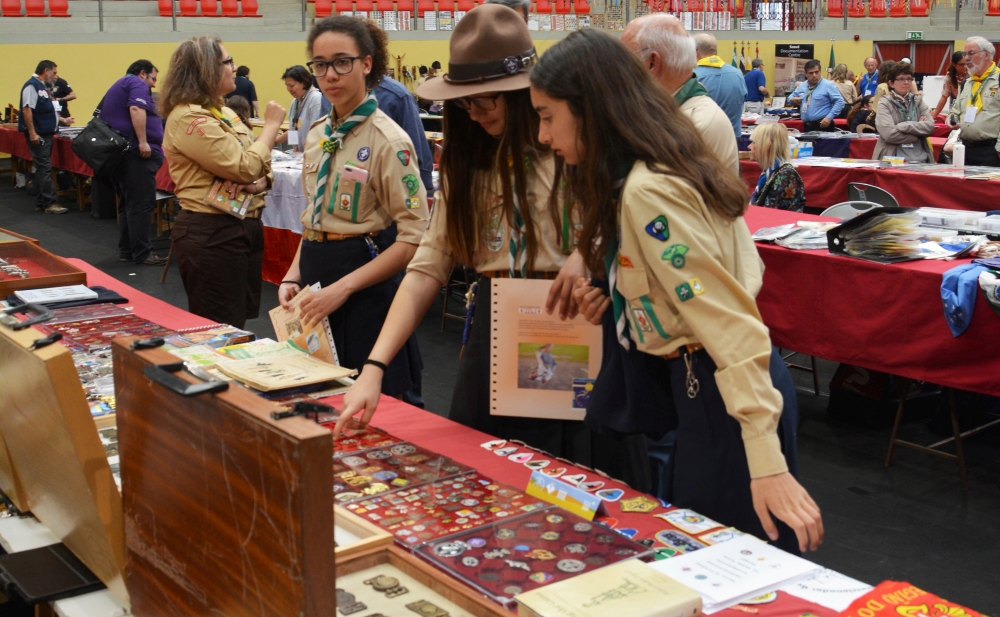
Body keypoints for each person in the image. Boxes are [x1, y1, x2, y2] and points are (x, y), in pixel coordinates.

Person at [529, 28, 822, 556]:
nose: (543, 135)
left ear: (591, 109)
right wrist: (626, 303)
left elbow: (730, 325)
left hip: (727, 394)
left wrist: (763, 456)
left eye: (548, 116)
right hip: (709, 388)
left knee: (736, 565)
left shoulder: (649, 189)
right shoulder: (652, 167)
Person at [336, 6, 642, 479]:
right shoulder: (467, 162)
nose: (474, 113)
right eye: (464, 102)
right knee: (488, 479)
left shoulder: (575, 148)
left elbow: (627, 231)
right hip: (497, 333)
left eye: (488, 100)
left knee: (589, 482)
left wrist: (596, 267)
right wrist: (375, 365)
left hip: (577, 325)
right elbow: (428, 267)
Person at [278, 16, 428, 400]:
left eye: (342, 62)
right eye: (321, 64)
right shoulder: (317, 136)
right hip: (315, 274)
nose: (330, 75)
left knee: (372, 401)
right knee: (316, 395)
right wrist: (293, 276)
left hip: (362, 281)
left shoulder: (387, 140)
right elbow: (314, 215)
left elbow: (413, 236)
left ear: (367, 63)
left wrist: (342, 289)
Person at [160, 37, 285, 327]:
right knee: (218, 326)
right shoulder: (188, 118)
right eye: (227, 62)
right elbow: (245, 166)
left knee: (237, 320)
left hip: (244, 224)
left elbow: (262, 165)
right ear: (205, 70)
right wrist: (270, 127)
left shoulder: (225, 112)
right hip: (212, 230)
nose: (233, 68)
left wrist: (257, 183)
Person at [621, 14, 738, 172]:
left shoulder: (699, 125)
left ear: (652, 63)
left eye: (625, 61)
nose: (621, 72)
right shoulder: (664, 110)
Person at [98, 59, 167, 265]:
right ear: (142, 73)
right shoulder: (136, 84)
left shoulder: (121, 84)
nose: (154, 84)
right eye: (153, 78)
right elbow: (136, 109)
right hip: (137, 155)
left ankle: (127, 250)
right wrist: (144, 142)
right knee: (141, 204)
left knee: (129, 203)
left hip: (125, 156)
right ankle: (143, 253)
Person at [18, 60, 68, 215]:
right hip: (39, 134)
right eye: (53, 72)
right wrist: (33, 133)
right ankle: (50, 203)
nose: (55, 76)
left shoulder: (43, 87)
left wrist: (62, 120)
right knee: (45, 168)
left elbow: (48, 109)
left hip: (45, 132)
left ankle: (41, 201)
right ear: (46, 71)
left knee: (42, 168)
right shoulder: (32, 86)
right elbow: (27, 110)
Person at [373, 74, 435, 193]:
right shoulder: (330, 98)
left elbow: (416, 148)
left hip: (390, 189)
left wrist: (423, 189)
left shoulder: (396, 96)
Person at [948, 36, 1000, 167]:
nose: (966, 58)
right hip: (966, 149)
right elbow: (955, 111)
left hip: (992, 150)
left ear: (986, 55)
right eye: (965, 54)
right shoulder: (967, 83)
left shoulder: (998, 80)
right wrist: (951, 119)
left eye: (971, 53)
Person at [873, 63, 935, 163]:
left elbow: (930, 127)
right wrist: (917, 135)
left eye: (909, 79)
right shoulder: (884, 103)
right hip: (892, 157)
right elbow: (889, 134)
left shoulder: (918, 101)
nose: (906, 82)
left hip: (920, 157)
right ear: (891, 83)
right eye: (901, 79)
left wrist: (902, 126)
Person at [692, 33, 747, 138]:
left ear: (695, 51)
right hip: (733, 138)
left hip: (703, 140)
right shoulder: (737, 74)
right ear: (715, 52)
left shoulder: (693, 76)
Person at [748, 123, 805, 212]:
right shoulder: (771, 171)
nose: (749, 146)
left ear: (766, 145)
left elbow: (770, 214)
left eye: (754, 142)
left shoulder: (785, 175)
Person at [275, 65, 323, 152]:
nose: (288, 89)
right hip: (299, 154)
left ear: (304, 82)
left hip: (311, 154)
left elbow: (316, 132)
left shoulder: (316, 99)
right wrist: (274, 141)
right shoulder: (295, 102)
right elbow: (294, 129)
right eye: (287, 85)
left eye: (291, 85)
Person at [788, 59, 844, 132]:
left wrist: (829, 117)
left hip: (823, 125)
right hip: (807, 126)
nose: (814, 75)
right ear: (805, 74)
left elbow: (840, 102)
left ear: (820, 71)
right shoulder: (802, 86)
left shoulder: (828, 85)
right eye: (811, 73)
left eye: (816, 72)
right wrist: (792, 100)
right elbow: (790, 98)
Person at [933, 51, 968, 120]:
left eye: (966, 64)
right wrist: (934, 115)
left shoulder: (972, 74)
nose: (964, 67)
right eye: (961, 65)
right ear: (954, 64)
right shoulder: (950, 76)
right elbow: (944, 96)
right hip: (957, 107)